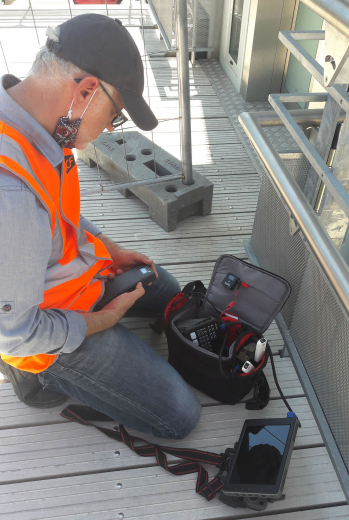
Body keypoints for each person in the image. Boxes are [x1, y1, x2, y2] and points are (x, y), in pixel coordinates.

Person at [0, 14, 201, 439]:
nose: (111, 127)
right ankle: (38, 379)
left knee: (168, 290)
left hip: (71, 275)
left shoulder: (39, 122)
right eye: (115, 113)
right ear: (86, 91)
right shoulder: (10, 198)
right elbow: (15, 335)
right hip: (42, 329)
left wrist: (108, 247)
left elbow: (57, 212)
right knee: (180, 414)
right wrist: (103, 321)